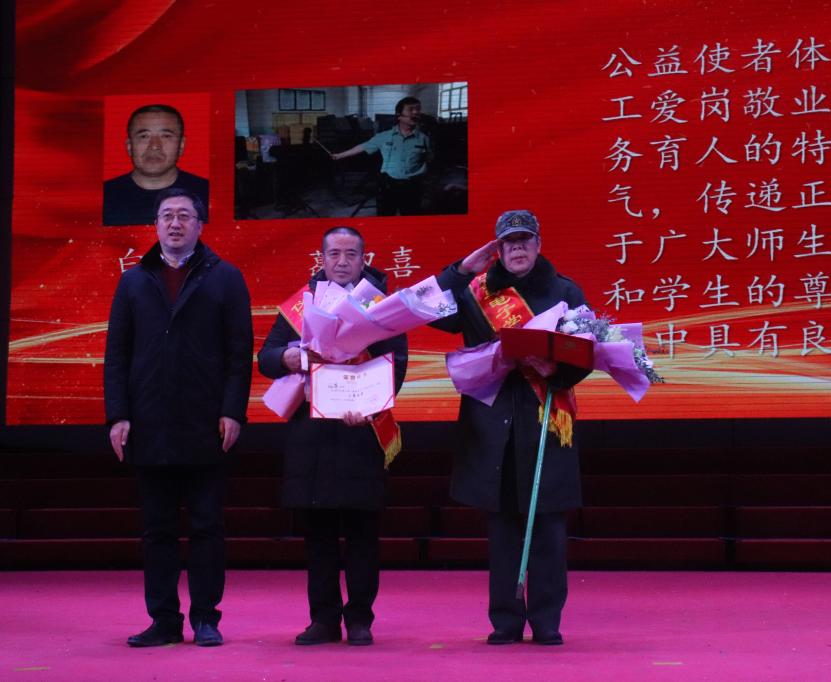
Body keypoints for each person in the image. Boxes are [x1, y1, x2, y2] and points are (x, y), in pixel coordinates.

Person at [432, 210, 590, 646]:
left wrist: (555, 369)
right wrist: (461, 269)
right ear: (497, 250)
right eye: (508, 242)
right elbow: (429, 309)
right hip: (493, 423)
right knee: (502, 528)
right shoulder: (475, 291)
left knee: (548, 527)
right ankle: (505, 619)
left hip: (545, 419)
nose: (517, 248)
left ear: (538, 245)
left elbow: (587, 354)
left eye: (524, 240)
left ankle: (547, 620)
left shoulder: (565, 290)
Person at [104, 188, 253, 647]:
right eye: (166, 215)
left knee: (207, 526)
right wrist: (118, 415)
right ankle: (164, 620)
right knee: (158, 529)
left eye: (184, 216)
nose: (175, 223)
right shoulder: (134, 281)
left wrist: (232, 410)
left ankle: (206, 618)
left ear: (199, 225)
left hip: (207, 423)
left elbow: (239, 354)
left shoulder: (225, 277)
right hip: (149, 423)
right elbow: (117, 355)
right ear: (155, 225)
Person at [257, 226, 409, 646]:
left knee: (362, 533)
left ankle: (360, 619)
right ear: (321, 259)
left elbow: (396, 363)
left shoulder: (382, 306)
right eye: (334, 254)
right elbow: (266, 357)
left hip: (362, 430)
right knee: (318, 534)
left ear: (364, 259)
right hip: (313, 434)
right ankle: (323, 619)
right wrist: (286, 356)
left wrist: (371, 401)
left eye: (351, 254)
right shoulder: (301, 304)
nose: (342, 262)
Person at [103, 104, 210, 226]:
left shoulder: (208, 195)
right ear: (129, 146)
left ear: (181, 145)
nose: (154, 146)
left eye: (166, 136)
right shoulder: (103, 196)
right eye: (144, 136)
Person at [331, 97, 432, 216]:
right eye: (411, 109)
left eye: (418, 109)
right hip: (388, 185)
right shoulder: (384, 136)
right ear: (399, 115)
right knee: (385, 217)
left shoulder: (424, 139)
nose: (416, 112)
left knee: (410, 218)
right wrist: (340, 155)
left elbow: (430, 159)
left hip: (413, 186)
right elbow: (363, 146)